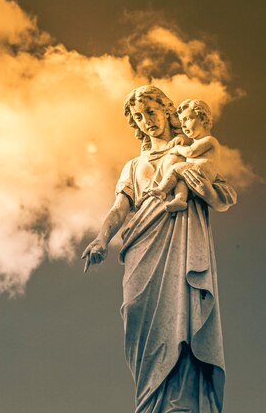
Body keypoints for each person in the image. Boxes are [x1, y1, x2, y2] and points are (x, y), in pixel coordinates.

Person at [82, 85, 236, 413]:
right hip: (141, 247)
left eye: (151, 112)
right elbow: (119, 209)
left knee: (183, 318)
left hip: (180, 242)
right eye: (139, 117)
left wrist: (200, 186)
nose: (146, 120)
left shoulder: (191, 150)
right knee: (141, 322)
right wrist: (101, 238)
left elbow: (222, 195)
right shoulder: (133, 166)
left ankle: (180, 405)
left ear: (167, 110)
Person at [142, 98, 221, 212]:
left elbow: (190, 152)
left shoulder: (209, 140)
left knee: (176, 168)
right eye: (181, 122)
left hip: (201, 174)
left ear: (203, 118)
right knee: (181, 179)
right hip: (192, 173)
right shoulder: (194, 142)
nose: (183, 125)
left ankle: (161, 190)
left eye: (187, 119)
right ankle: (180, 199)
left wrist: (178, 148)